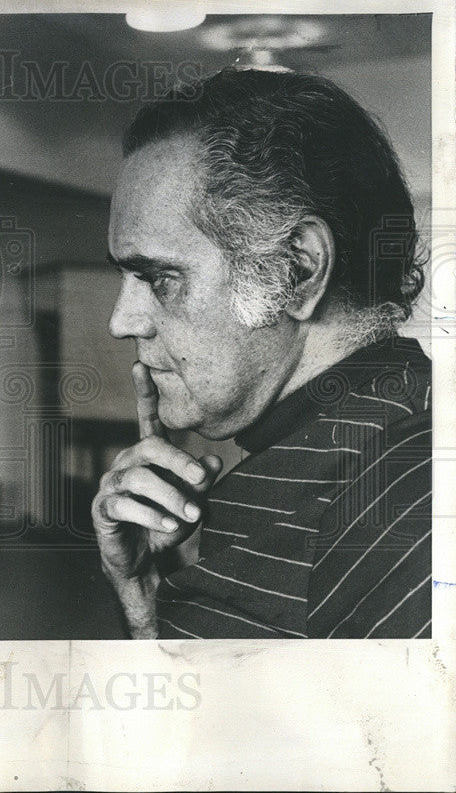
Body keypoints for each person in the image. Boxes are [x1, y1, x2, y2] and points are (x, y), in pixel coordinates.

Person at [93, 68, 431, 639]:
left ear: (296, 269)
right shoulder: (340, 453)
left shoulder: (407, 496)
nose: (121, 321)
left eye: (160, 278)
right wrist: (144, 594)